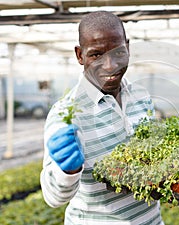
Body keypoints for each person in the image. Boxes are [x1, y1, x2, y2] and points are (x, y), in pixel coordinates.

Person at [40, 11, 164, 225]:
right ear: (80, 55)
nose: (110, 66)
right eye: (96, 55)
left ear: (128, 47)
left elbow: (154, 161)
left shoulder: (141, 96)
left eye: (118, 53)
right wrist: (67, 170)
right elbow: (53, 198)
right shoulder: (66, 114)